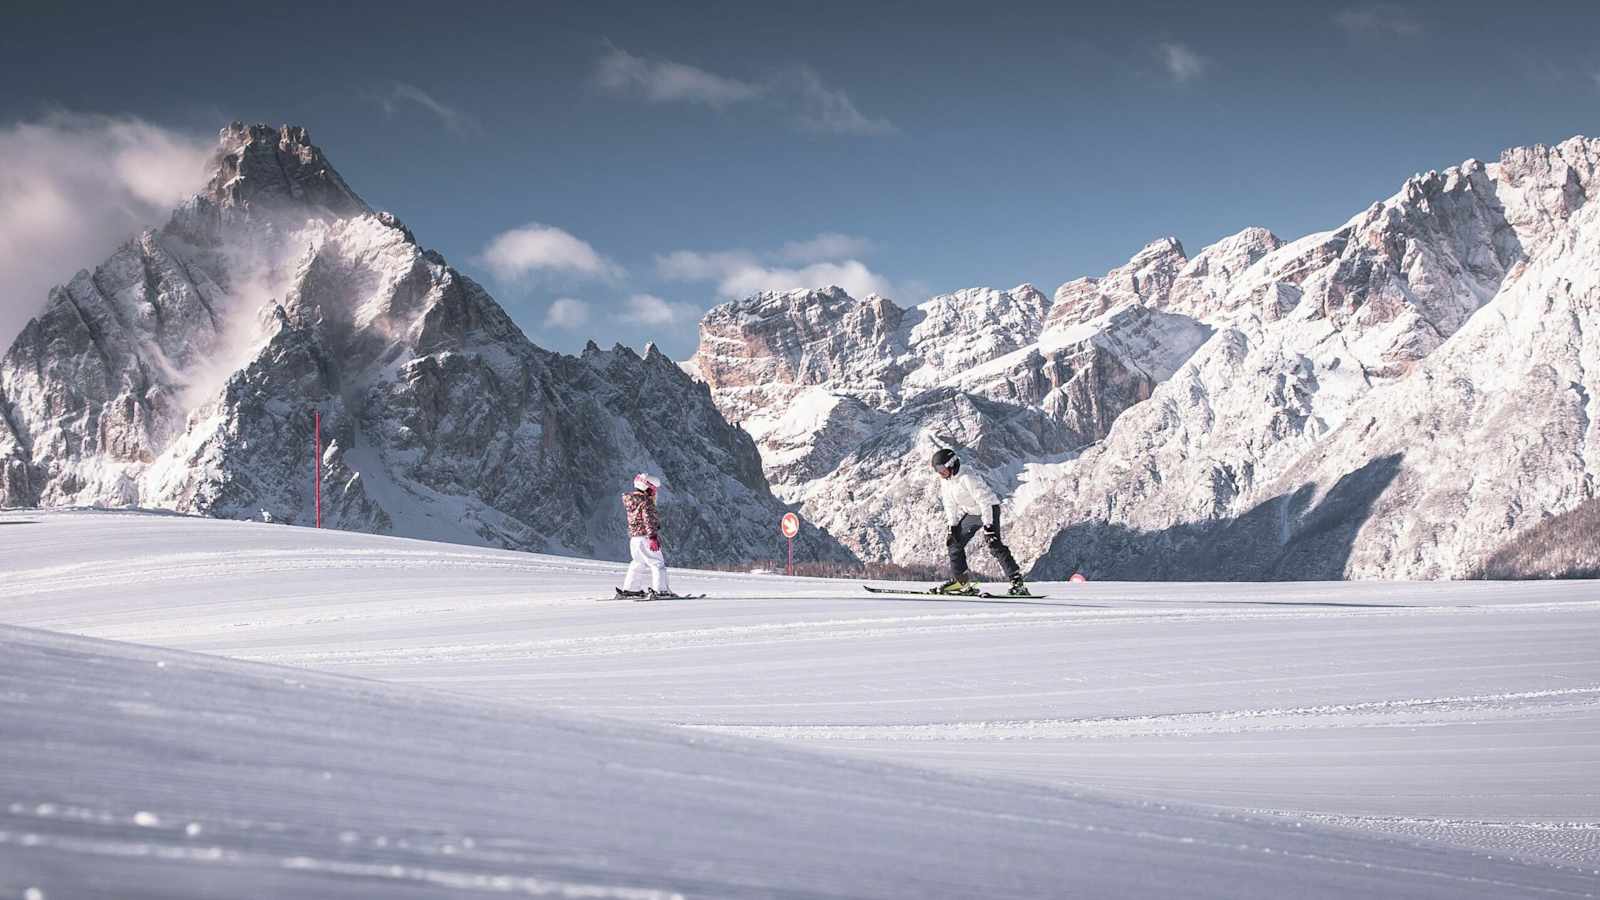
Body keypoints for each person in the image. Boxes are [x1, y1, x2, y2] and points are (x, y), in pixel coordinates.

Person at [930, 448, 1028, 596]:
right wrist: (953, 526)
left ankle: (1017, 584)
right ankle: (961, 583)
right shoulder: (946, 481)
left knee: (994, 544)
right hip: (972, 512)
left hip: (989, 508)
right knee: (954, 543)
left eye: (942, 468)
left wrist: (988, 526)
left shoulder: (967, 478)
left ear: (951, 464)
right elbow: (949, 504)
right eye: (937, 469)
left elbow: (985, 502)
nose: (940, 473)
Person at [617, 473, 675, 600]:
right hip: (645, 537)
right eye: (653, 489)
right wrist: (652, 536)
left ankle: (631, 589)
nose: (654, 492)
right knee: (657, 563)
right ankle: (661, 591)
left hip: (634, 539)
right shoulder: (646, 502)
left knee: (637, 563)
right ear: (646, 487)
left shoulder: (630, 501)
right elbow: (648, 520)